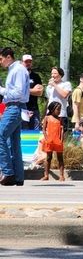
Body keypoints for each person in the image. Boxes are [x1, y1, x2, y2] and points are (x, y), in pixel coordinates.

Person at [0, 47, 30, 185]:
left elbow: (17, 93)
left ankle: (8, 173)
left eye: (1, 59)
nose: (0, 62)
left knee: (1, 136)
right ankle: (18, 176)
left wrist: (1, 90)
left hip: (14, 107)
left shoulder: (17, 70)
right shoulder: (16, 69)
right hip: (18, 107)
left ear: (8, 57)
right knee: (14, 143)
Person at [41, 101, 65, 181]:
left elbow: (62, 130)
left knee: (60, 158)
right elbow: (44, 129)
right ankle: (46, 175)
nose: (59, 111)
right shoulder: (47, 118)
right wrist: (46, 138)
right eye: (58, 109)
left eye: (60, 109)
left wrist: (61, 139)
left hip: (58, 140)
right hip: (49, 140)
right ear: (52, 109)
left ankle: (62, 175)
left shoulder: (60, 119)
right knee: (48, 157)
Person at [21, 54, 44, 131]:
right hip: (21, 108)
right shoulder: (18, 75)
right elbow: (17, 91)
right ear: (22, 62)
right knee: (22, 133)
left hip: (34, 109)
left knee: (35, 133)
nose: (28, 63)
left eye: (30, 62)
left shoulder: (36, 76)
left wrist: (24, 90)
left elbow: (39, 92)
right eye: (26, 61)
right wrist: (33, 90)